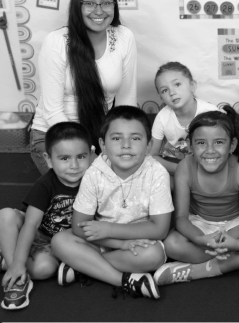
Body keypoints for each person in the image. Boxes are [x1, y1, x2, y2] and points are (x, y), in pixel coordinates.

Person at [0, 122, 94, 310]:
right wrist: (18, 264)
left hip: (58, 245)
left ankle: (4, 259)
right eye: (64, 158)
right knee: (5, 216)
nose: (74, 166)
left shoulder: (96, 181)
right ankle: (17, 276)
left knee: (44, 270)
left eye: (81, 157)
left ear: (92, 153)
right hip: (36, 233)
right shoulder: (45, 185)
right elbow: (31, 224)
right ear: (48, 159)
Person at [51, 106, 172, 298]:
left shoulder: (157, 173)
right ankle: (123, 280)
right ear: (103, 145)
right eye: (116, 138)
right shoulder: (94, 173)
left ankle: (83, 265)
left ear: (149, 145)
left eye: (136, 138)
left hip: (136, 242)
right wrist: (110, 238)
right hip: (100, 241)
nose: (126, 145)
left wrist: (110, 229)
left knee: (153, 256)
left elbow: (160, 229)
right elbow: (79, 226)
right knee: (60, 241)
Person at [30, 0, 137, 173]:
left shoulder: (124, 37)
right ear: (77, 7)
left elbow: (126, 100)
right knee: (82, 198)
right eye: (89, 3)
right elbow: (52, 111)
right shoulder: (56, 41)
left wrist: (124, 142)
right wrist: (89, 153)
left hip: (99, 133)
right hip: (53, 134)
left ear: (114, 6)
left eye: (106, 3)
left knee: (128, 186)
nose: (98, 10)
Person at [154, 106, 239, 286]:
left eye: (218, 142)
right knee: (171, 244)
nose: (210, 150)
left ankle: (196, 271)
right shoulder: (185, 167)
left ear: (232, 145)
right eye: (201, 143)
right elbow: (181, 218)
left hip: (235, 225)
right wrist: (202, 239)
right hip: (200, 224)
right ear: (190, 145)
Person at [148, 62, 217, 177]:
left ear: (192, 86)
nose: (172, 92)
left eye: (177, 84)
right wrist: (180, 170)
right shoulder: (162, 117)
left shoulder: (210, 111)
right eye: (165, 90)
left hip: (207, 161)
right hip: (174, 164)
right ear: (161, 98)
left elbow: (223, 148)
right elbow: (152, 155)